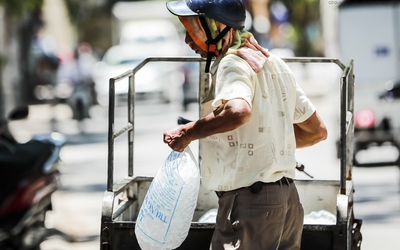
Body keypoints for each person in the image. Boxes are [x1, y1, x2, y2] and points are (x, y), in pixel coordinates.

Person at [163, 0, 328, 249]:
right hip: (288, 201)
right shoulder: (274, 63)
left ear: (217, 27)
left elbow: (239, 111)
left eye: (194, 30)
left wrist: (188, 132)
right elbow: (317, 131)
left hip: (251, 204)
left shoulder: (232, 63)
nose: (188, 40)